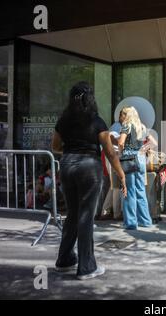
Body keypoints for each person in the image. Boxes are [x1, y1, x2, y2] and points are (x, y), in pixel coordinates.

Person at [51, 81, 127, 280]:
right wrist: (121, 173)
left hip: (67, 165)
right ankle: (86, 267)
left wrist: (70, 151)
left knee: (72, 214)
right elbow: (109, 152)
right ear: (90, 98)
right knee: (86, 216)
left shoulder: (64, 120)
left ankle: (64, 260)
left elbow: (55, 146)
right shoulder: (97, 121)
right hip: (89, 167)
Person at [117, 106, 157, 230]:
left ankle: (131, 223)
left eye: (122, 115)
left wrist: (120, 154)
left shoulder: (126, 125)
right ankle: (145, 221)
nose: (121, 117)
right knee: (140, 191)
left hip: (128, 159)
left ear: (126, 115)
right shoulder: (142, 127)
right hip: (140, 159)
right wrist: (141, 150)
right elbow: (154, 143)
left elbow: (121, 142)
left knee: (128, 191)